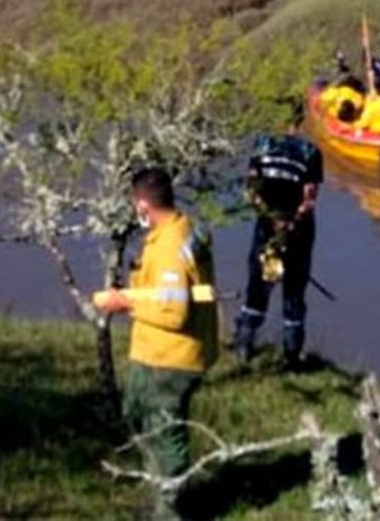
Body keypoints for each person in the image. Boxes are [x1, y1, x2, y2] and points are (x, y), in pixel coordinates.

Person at [93, 168, 218, 515]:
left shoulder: (168, 248)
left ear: (143, 204)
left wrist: (122, 302)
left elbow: (173, 312)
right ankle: (162, 494)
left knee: (165, 438)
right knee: (136, 414)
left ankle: (169, 511)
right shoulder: (185, 227)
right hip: (155, 353)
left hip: (170, 360)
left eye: (136, 205)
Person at [233, 112, 323, 371]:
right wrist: (291, 223)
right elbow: (309, 199)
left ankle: (244, 345)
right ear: (301, 119)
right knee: (294, 292)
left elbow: (251, 190)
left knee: (260, 285)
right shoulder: (309, 151)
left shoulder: (262, 145)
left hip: (267, 232)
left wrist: (271, 219)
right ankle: (292, 357)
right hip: (298, 235)